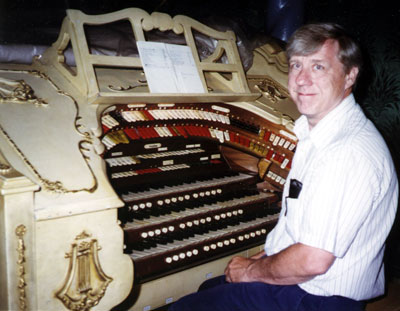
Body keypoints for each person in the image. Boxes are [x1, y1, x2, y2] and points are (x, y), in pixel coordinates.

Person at [168, 23, 399, 311]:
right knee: (210, 289)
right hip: (312, 283)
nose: (301, 80)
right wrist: (263, 258)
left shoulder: (344, 152)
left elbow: (312, 260)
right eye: (295, 65)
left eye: (318, 67)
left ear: (350, 74)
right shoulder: (323, 130)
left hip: (317, 298)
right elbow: (302, 232)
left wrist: (250, 272)